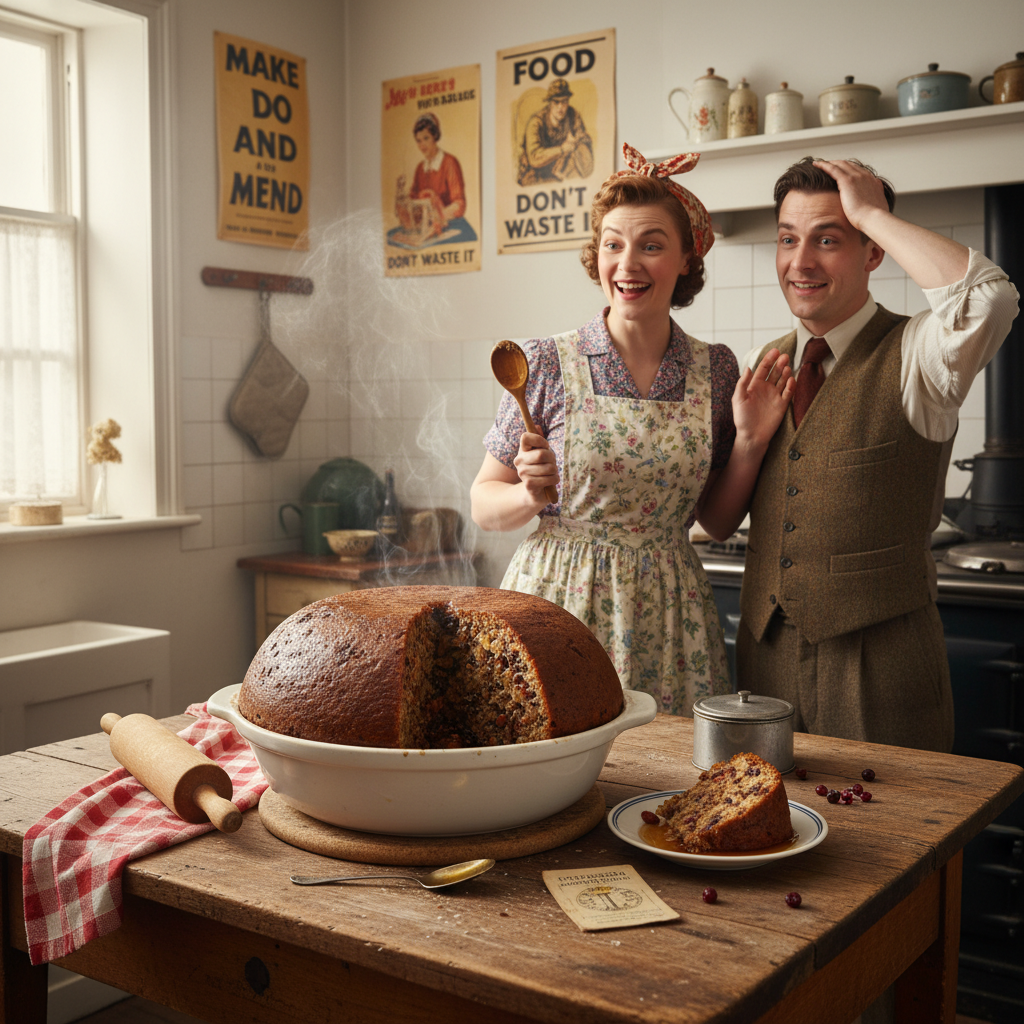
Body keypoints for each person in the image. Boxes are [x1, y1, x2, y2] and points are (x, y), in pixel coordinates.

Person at [472, 144, 795, 715]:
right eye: (613, 245)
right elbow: (482, 503)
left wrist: (750, 442)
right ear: (596, 256)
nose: (628, 264)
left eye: (652, 245)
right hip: (558, 601)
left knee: (662, 777)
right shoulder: (544, 362)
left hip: (670, 612)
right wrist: (526, 495)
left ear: (686, 261)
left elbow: (717, 523)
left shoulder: (715, 370)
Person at [737, 156, 1019, 752]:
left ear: (873, 253)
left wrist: (870, 212)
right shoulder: (771, 363)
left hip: (880, 665)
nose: (800, 261)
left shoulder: (918, 352)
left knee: (891, 839)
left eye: (829, 239)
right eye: (788, 239)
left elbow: (990, 300)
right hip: (765, 657)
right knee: (763, 828)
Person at [395, 113, 466, 237]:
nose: (422, 145)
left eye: (426, 138)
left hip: (448, 226)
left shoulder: (449, 163)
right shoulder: (420, 169)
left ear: (435, 136)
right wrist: (401, 195)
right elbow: (413, 200)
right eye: (418, 140)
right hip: (425, 228)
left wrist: (439, 216)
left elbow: (459, 204)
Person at [517, 79, 594, 186]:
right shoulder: (536, 122)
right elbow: (534, 157)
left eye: (564, 101)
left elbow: (587, 162)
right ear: (550, 103)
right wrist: (562, 149)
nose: (560, 107)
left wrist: (576, 144)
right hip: (536, 173)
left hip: (561, 170)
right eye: (556, 102)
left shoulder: (573, 116)